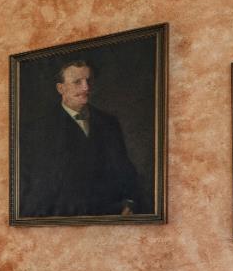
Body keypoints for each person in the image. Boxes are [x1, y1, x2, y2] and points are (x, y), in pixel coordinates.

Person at [18, 59, 141, 218]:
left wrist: (130, 202)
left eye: (88, 81)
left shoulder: (109, 122)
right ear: (60, 88)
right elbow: (34, 186)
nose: (86, 87)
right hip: (62, 221)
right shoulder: (38, 129)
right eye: (78, 82)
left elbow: (124, 168)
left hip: (109, 216)